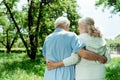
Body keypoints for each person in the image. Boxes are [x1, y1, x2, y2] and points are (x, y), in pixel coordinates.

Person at [42, 16, 107, 80]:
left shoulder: (47, 38)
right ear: (67, 25)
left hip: (49, 74)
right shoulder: (71, 36)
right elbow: (82, 54)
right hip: (66, 75)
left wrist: (54, 63)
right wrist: (101, 58)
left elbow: (45, 58)